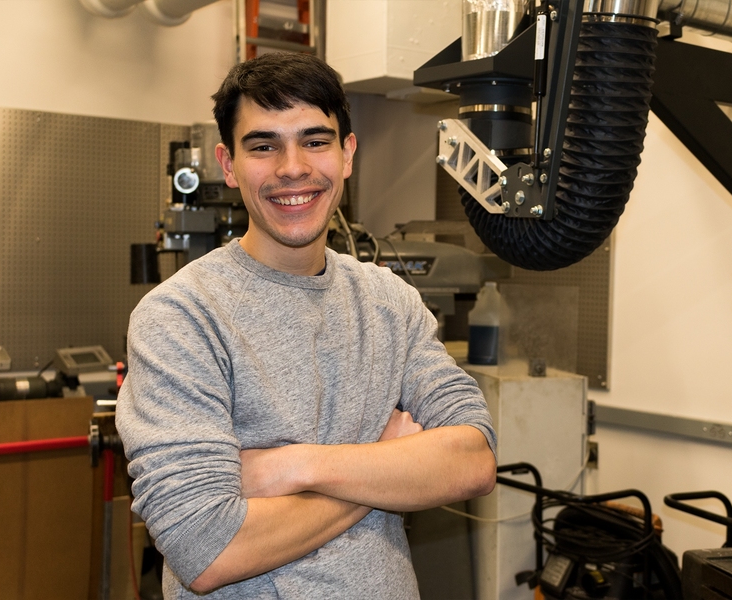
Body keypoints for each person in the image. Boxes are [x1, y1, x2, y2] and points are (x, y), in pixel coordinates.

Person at [115, 50, 497, 598]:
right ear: (227, 164)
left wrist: (294, 466)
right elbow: (207, 549)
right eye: (264, 145)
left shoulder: (390, 302)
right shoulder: (181, 316)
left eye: (315, 141)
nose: (292, 167)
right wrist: (383, 465)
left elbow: (473, 461)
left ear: (347, 155)